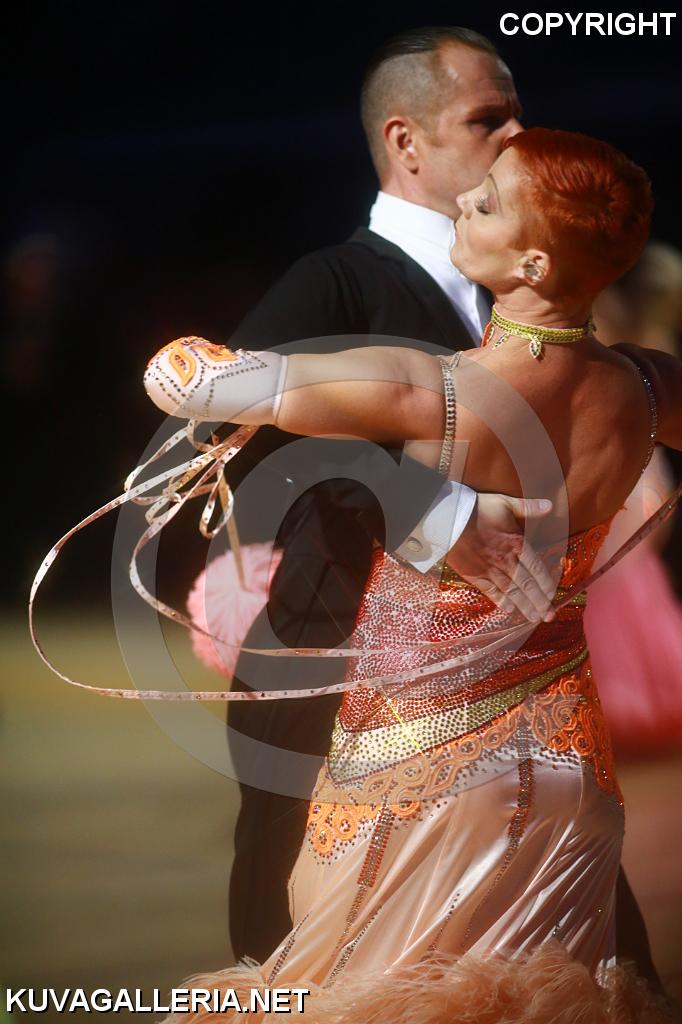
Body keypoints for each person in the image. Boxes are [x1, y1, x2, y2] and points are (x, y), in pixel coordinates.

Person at [144, 127, 681, 1021]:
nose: (465, 200)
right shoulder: (645, 388)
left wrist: (215, 382)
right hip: (571, 768)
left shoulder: (442, 389)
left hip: (419, 770)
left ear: (535, 264)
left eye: (489, 202)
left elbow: (186, 381)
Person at [220, 25, 553, 964]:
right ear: (406, 141)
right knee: (298, 948)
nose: (519, 135)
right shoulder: (332, 284)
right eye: (488, 119)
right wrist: (433, 514)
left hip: (511, 679)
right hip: (326, 664)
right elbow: (218, 444)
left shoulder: (530, 298)